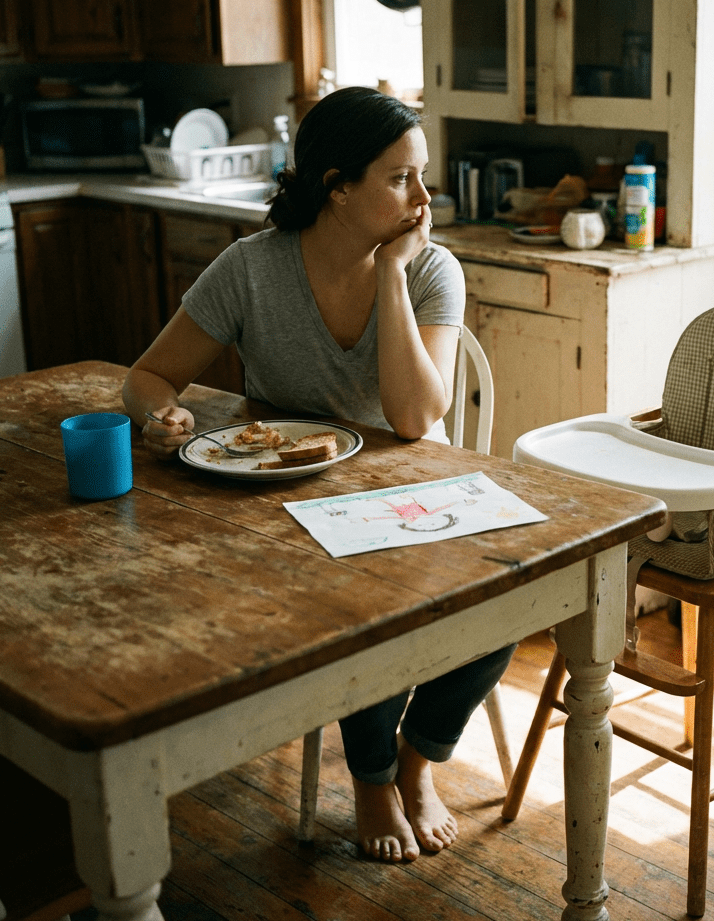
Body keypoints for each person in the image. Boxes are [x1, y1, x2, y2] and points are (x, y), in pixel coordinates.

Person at [122, 86, 516, 863]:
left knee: (507, 591)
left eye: (422, 175)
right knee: (354, 609)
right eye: (401, 178)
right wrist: (159, 415)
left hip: (412, 496)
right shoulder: (251, 269)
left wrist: (394, 276)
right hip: (276, 503)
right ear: (339, 186)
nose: (423, 197)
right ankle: (371, 779)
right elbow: (148, 376)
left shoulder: (433, 271)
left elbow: (412, 420)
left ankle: (416, 761)